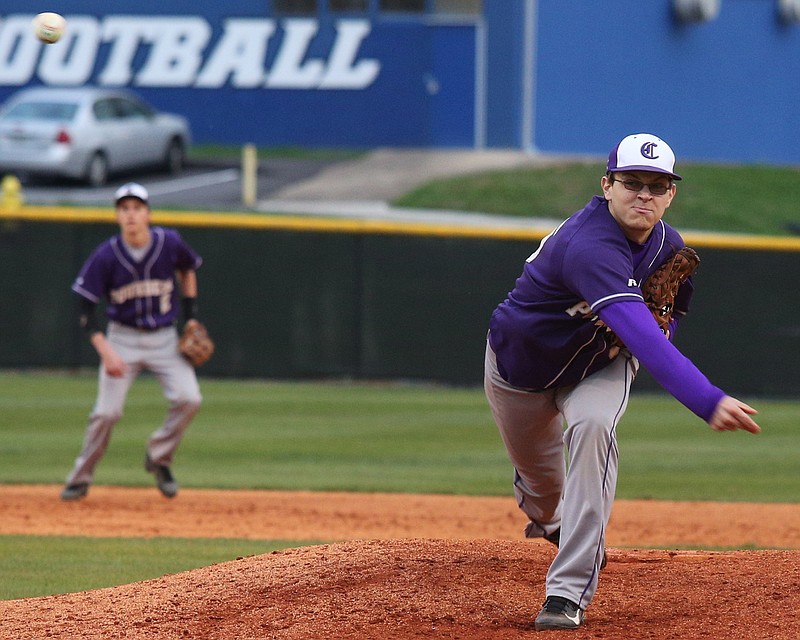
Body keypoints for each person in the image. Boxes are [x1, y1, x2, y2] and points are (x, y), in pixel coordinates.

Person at [483, 133, 761, 631]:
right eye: (632, 182)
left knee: (593, 429)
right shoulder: (588, 245)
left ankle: (566, 594)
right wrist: (707, 399)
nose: (644, 195)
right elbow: (647, 337)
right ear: (607, 185)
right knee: (545, 494)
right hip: (518, 370)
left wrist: (663, 327)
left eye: (658, 185)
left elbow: (663, 322)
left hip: (600, 366)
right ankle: (550, 521)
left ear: (671, 194)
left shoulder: (668, 247)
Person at [60, 182, 204, 501]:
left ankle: (159, 457)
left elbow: (188, 269)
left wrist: (191, 316)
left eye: (137, 208)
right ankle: (80, 477)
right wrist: (106, 351)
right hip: (122, 339)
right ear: (117, 216)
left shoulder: (169, 242)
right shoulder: (106, 255)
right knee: (106, 413)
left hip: (165, 339)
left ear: (148, 214)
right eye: (124, 209)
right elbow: (85, 306)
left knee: (189, 399)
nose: (131, 215)